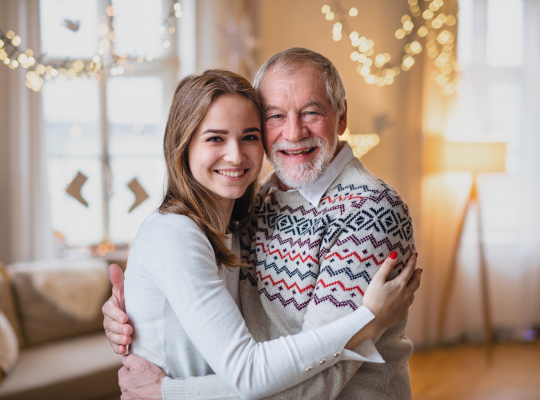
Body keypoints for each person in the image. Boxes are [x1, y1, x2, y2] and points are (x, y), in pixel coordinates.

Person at [105, 49, 421, 400]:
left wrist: (171, 393)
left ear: (342, 116)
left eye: (311, 112)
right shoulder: (256, 201)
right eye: (275, 116)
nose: (294, 132)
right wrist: (135, 307)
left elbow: (321, 381)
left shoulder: (369, 211)